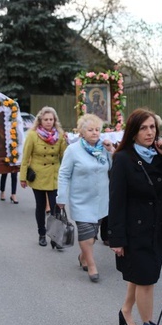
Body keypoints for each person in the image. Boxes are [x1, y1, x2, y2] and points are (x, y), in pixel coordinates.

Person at [108, 108, 162, 325]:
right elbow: (116, 201)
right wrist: (116, 239)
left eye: (152, 127)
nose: (149, 132)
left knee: (142, 276)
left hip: (156, 228)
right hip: (134, 231)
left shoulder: (158, 156)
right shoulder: (122, 159)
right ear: (133, 132)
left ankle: (126, 310)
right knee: (147, 281)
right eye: (143, 128)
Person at [57, 114, 114, 283]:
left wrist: (111, 151)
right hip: (81, 200)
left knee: (93, 234)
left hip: (101, 200)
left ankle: (83, 256)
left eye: (97, 129)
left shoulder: (103, 148)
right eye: (90, 130)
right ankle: (91, 265)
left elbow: (113, 168)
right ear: (82, 132)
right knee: (87, 235)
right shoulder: (73, 150)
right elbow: (64, 173)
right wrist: (61, 196)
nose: (95, 133)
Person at [20, 107, 68, 248]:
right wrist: (23, 177)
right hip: (38, 175)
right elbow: (26, 157)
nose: (48, 122)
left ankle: (55, 237)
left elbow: (64, 157)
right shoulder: (33, 135)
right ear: (40, 121)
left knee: (56, 207)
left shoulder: (59, 135)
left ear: (54, 120)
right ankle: (41, 233)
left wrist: (66, 142)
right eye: (46, 119)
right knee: (40, 206)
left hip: (54, 175)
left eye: (51, 119)